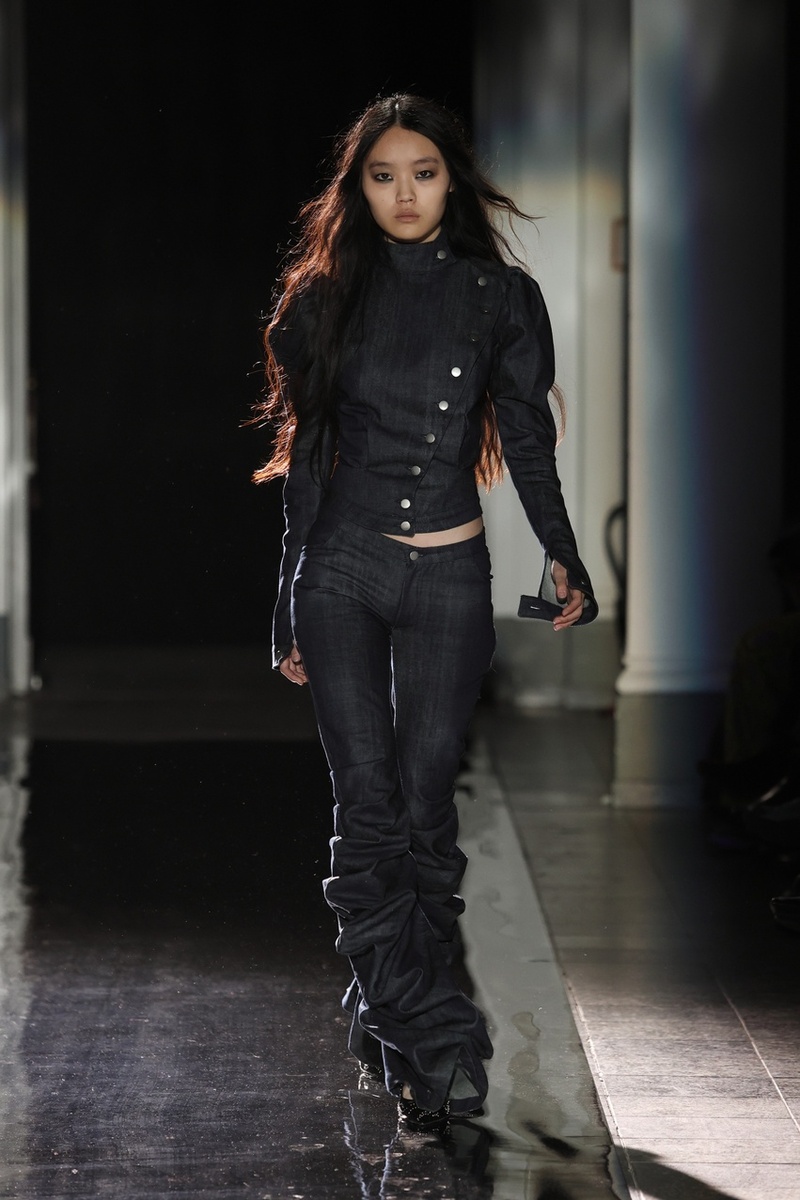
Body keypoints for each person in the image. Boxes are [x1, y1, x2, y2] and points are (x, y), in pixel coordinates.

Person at [250, 93, 598, 1129]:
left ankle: (391, 1010)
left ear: (452, 181)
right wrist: (288, 595)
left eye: (423, 173)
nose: (404, 194)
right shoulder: (325, 297)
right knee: (368, 806)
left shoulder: (499, 299)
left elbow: (525, 439)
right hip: (343, 572)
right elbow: (308, 457)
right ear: (357, 189)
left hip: (449, 577)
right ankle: (435, 1044)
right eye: (382, 176)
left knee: (425, 806)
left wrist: (563, 551)